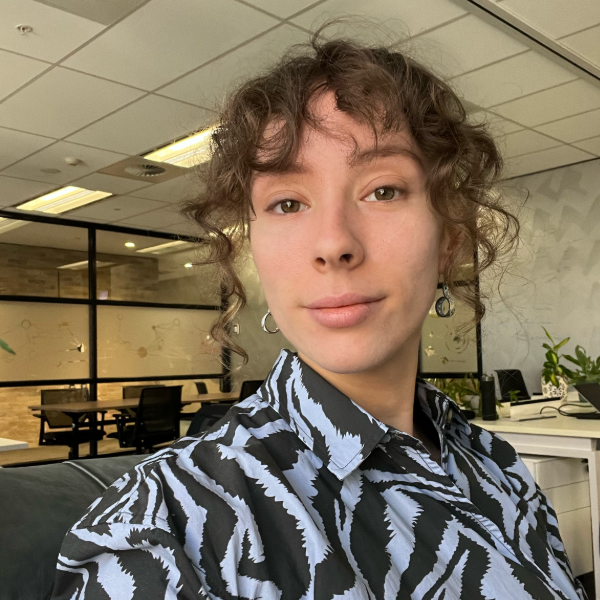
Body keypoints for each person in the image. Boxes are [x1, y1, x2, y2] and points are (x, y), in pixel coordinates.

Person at [51, 32, 586, 600]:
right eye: (287, 203)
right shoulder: (167, 526)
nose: (333, 244)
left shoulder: (497, 465)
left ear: (449, 241)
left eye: (383, 191)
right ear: (254, 252)